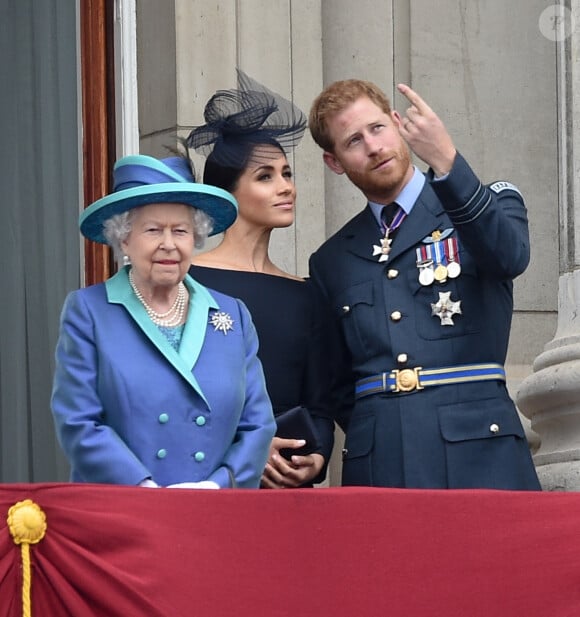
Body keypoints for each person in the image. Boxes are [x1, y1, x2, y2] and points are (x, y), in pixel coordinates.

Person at [307, 78, 541, 490]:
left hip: (480, 456)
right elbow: (338, 381)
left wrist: (447, 162)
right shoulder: (331, 260)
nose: (374, 146)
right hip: (381, 463)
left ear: (398, 123)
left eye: (377, 128)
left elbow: (509, 257)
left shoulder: (483, 204)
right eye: (354, 141)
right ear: (335, 162)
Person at [51, 152, 276, 489]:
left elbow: (258, 425)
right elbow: (79, 421)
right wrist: (144, 489)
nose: (169, 245)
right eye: (153, 230)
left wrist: (216, 486)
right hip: (126, 510)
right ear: (124, 238)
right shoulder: (89, 312)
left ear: (195, 238)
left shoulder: (233, 315)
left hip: (214, 510)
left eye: (181, 231)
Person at [186, 70, 335, 488]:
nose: (285, 187)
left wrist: (318, 456)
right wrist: (245, 447)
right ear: (227, 194)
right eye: (265, 176)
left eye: (287, 174)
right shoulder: (187, 281)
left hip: (290, 496)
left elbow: (321, 404)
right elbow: (168, 398)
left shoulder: (307, 294)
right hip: (209, 487)